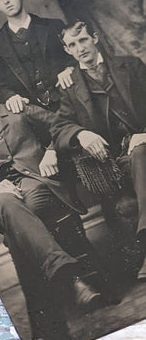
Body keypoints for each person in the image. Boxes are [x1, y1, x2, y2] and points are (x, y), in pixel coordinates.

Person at [0, 68, 102, 339]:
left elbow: (59, 123)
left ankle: (48, 328)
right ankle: (72, 278)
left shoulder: (17, 108)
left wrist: (51, 150)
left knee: (19, 230)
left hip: (35, 183)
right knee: (9, 206)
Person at [51, 21, 146, 280]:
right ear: (67, 50)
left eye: (82, 40)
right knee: (137, 156)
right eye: (72, 45)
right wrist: (81, 134)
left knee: (141, 152)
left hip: (143, 145)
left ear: (94, 38)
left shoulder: (131, 65)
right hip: (115, 162)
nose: (80, 48)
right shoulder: (69, 86)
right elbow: (59, 128)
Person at [0, 0, 76, 113]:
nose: (6, 1)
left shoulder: (53, 26)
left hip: (70, 100)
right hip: (36, 113)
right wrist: (11, 97)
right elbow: (1, 87)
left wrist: (70, 69)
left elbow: (77, 56)